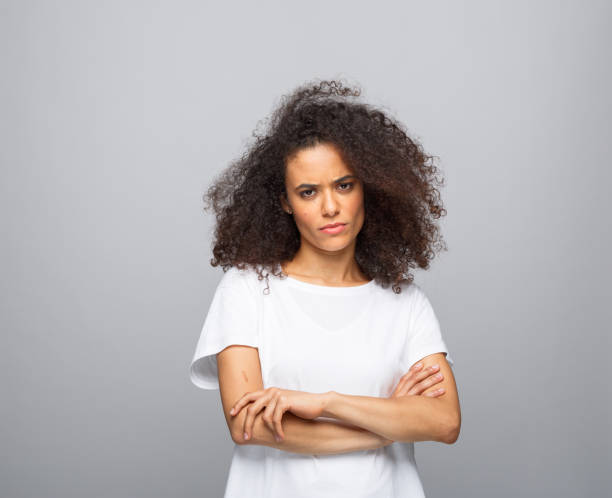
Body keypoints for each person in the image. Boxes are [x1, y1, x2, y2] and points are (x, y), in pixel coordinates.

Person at [189, 79, 461, 497]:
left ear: (369, 187)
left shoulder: (405, 304)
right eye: (308, 192)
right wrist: (386, 425)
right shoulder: (247, 289)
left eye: (344, 185)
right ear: (285, 201)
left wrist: (327, 403)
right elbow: (247, 426)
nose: (330, 207)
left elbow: (444, 423)